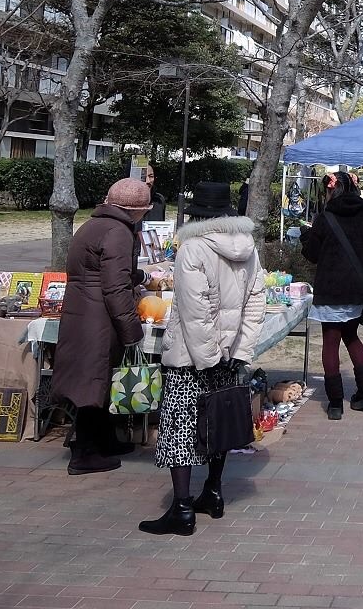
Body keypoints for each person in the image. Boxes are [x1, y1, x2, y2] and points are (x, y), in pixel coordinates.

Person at [138, 198, 266, 536]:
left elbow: (196, 313)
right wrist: (240, 351)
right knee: (217, 422)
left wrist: (208, 358)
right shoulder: (249, 248)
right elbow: (256, 304)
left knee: (180, 427)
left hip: (192, 358)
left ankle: (181, 508)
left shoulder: (192, 248)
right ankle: (213, 491)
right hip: (228, 354)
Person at [51, 179, 152, 475]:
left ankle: (105, 440)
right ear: (137, 211)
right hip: (100, 317)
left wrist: (140, 276)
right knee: (92, 384)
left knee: (95, 380)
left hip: (80, 311)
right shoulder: (118, 232)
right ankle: (84, 453)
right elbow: (115, 287)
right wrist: (132, 330)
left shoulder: (92, 225)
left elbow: (101, 274)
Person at [300, 172, 363, 420]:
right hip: (356, 289)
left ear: (331, 190)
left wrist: (307, 237)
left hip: (330, 289)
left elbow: (312, 255)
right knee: (352, 337)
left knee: (331, 342)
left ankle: (336, 402)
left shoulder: (325, 218)